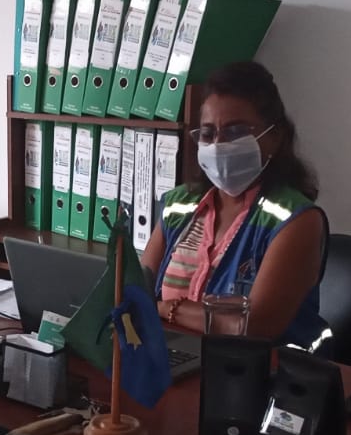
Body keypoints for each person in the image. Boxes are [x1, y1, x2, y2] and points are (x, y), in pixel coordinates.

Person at [142, 61, 332, 354]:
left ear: (275, 137)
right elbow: (136, 291)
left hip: (263, 370)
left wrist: (167, 308)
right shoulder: (178, 205)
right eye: (208, 134)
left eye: (235, 132)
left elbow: (252, 325)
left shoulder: (296, 220)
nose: (218, 145)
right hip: (176, 358)